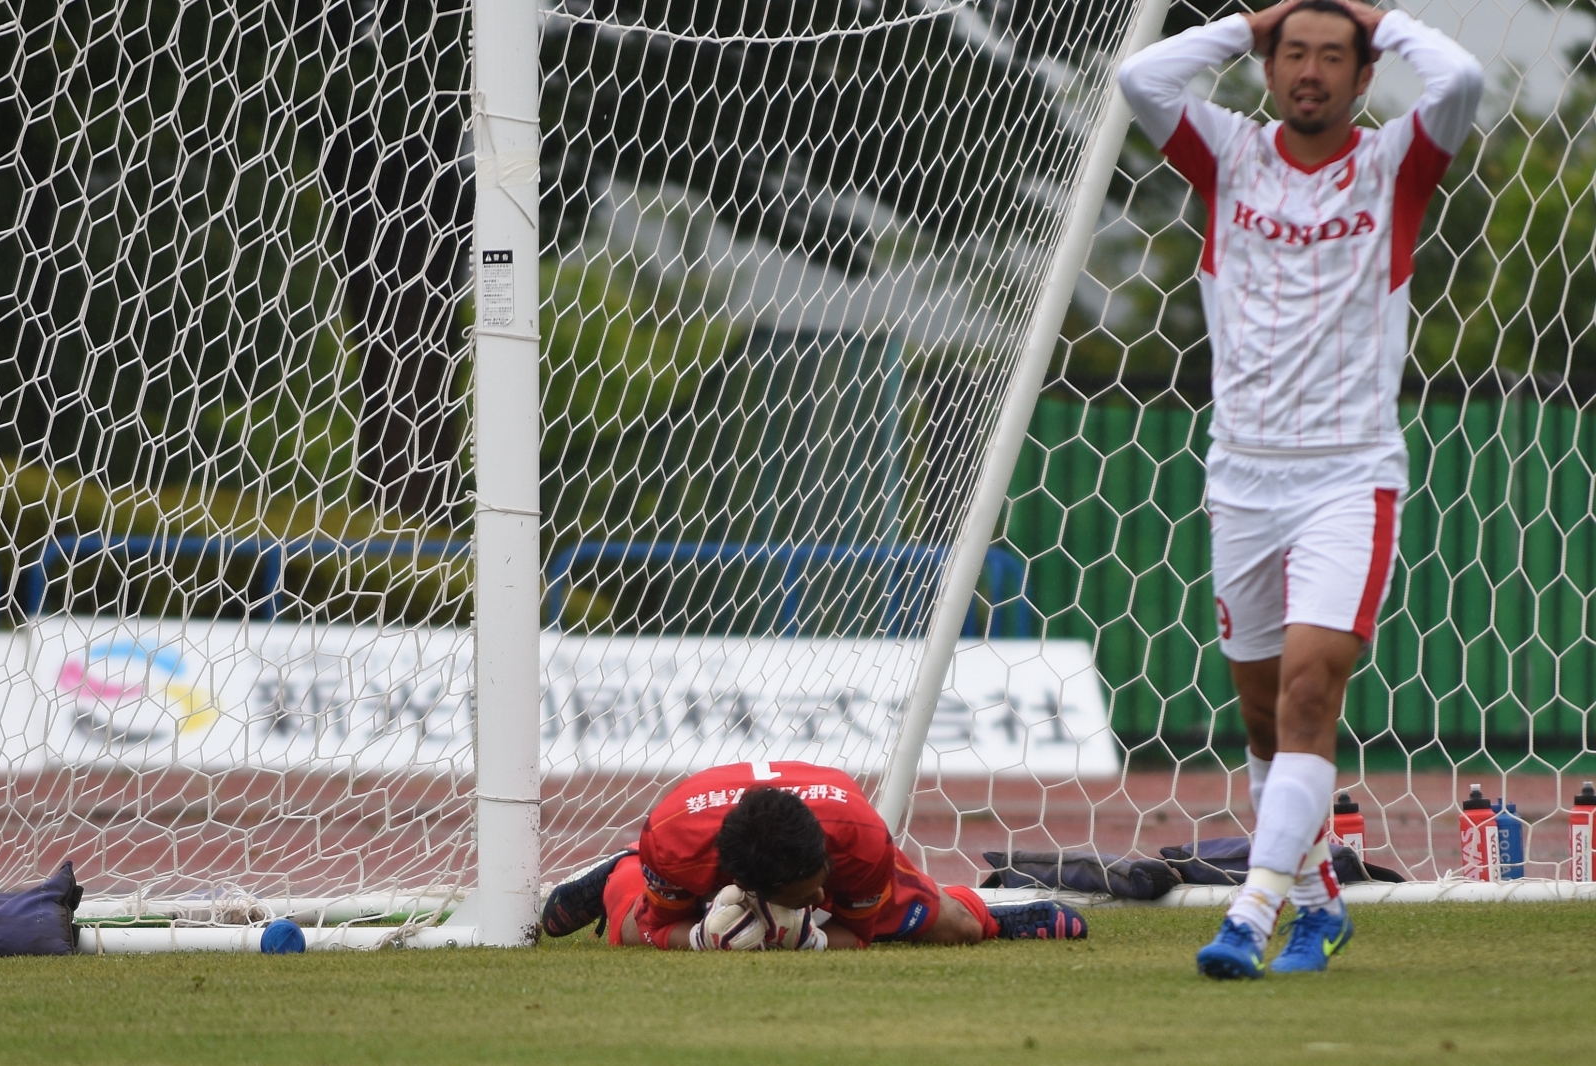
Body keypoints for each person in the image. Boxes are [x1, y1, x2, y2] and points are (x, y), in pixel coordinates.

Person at [1117, 0, 1480, 977]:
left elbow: (1461, 79)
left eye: (1331, 57)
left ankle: (1251, 913)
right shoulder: (1226, 152)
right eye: (1294, 55)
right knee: (1263, 718)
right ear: (1269, 69)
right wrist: (1250, 21)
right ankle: (1320, 905)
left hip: (1349, 476)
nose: (1310, 71)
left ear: (1363, 78)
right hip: (1241, 476)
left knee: (1312, 692)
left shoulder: (1396, 162)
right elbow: (1139, 79)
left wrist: (1380, 18)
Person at [540, 760, 1086, 949]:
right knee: (633, 931)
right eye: (807, 899)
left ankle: (994, 914)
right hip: (686, 843)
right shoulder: (674, 843)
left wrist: (808, 939)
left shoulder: (860, 840)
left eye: (819, 885)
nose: (822, 897)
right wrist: (705, 939)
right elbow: (660, 930)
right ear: (751, 887)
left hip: (839, 831)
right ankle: (620, 868)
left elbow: (859, 933)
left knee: (956, 928)